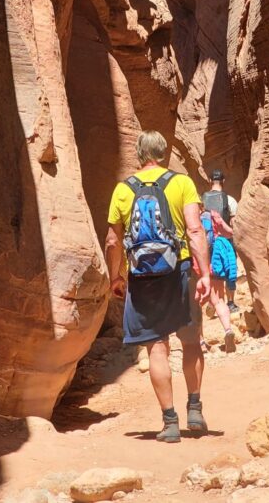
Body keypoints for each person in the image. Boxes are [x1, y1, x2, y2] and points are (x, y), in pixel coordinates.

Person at [105, 131, 212, 443]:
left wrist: (117, 276)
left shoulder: (123, 190)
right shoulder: (182, 183)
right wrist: (204, 273)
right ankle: (195, 408)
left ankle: (169, 423)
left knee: (157, 347)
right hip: (179, 269)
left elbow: (113, 240)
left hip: (143, 277)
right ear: (164, 153)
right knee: (191, 340)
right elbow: (194, 229)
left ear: (139, 154)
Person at [202, 169, 240, 311]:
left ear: (210, 181)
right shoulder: (229, 200)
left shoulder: (202, 199)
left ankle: (213, 302)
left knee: (212, 270)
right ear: (223, 181)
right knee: (230, 269)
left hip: (207, 242)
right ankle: (230, 303)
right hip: (225, 241)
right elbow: (234, 223)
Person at [198, 209, 236, 353]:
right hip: (215, 263)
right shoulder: (212, 214)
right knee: (219, 300)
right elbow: (229, 232)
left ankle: (201, 342)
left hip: (196, 265)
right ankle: (228, 330)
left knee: (196, 306)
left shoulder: (187, 215)